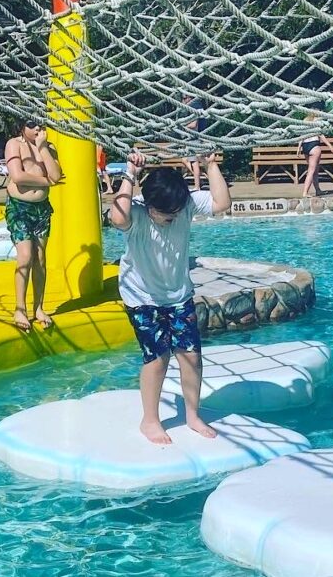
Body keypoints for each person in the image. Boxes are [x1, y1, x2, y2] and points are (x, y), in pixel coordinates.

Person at [108, 151, 232, 445]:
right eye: (166, 215)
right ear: (149, 205)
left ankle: (192, 414)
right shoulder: (136, 214)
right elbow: (116, 216)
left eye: (175, 213)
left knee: (190, 356)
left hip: (178, 294)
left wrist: (210, 164)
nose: (172, 218)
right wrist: (129, 174)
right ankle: (149, 420)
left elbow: (222, 203)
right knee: (157, 358)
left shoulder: (184, 205)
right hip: (141, 296)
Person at [4, 119, 63, 331]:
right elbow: (18, 176)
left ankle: (38, 307)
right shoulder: (14, 144)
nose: (38, 128)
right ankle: (20, 308)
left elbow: (56, 174)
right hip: (19, 207)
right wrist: (47, 182)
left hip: (42, 209)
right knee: (26, 255)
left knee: (39, 258)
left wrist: (42, 148)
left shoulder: (49, 148)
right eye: (31, 124)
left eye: (40, 123)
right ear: (21, 125)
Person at [182, 95, 210, 190]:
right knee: (185, 160)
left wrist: (182, 126)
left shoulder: (194, 108)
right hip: (193, 138)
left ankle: (197, 186)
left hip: (194, 139)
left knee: (194, 163)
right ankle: (201, 178)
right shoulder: (196, 107)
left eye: (185, 98)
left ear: (190, 98)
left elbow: (194, 125)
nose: (183, 100)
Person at [298, 117, 328, 198]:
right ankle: (305, 192)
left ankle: (318, 190)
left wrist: (298, 149)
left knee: (314, 170)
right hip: (314, 145)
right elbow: (321, 135)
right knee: (311, 171)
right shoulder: (316, 122)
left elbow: (301, 137)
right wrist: (330, 145)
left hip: (305, 146)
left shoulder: (305, 123)